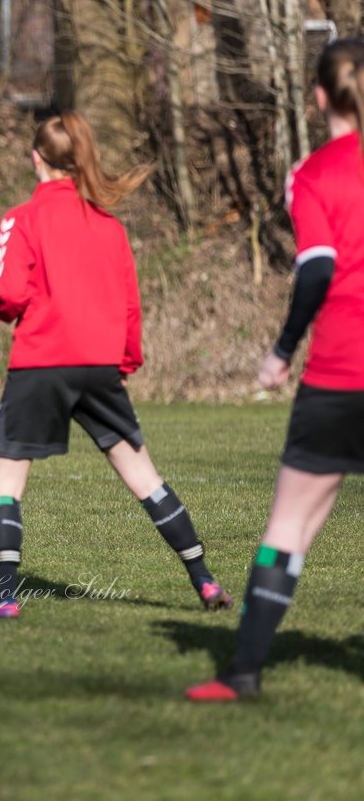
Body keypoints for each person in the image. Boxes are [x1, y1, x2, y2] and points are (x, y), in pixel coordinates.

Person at [0, 111, 233, 621]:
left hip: (41, 360)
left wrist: (10, 312)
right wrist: (125, 359)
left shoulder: (20, 218)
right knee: (144, 477)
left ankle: (2, 598)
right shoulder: (108, 224)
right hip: (99, 363)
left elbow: (8, 292)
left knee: (6, 482)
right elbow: (129, 302)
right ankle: (204, 580)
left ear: (36, 158)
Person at [187, 39, 364, 700]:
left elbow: (317, 269)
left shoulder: (313, 173)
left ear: (320, 96)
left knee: (289, 528)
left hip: (341, 373)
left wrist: (282, 350)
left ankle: (244, 672)